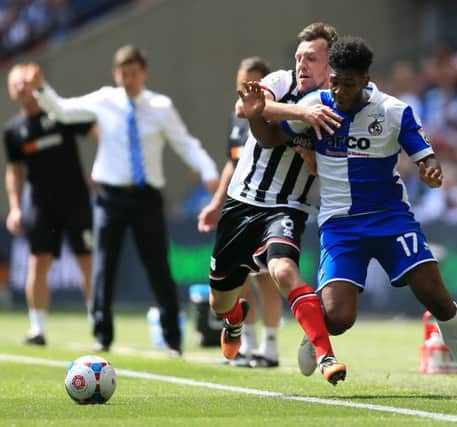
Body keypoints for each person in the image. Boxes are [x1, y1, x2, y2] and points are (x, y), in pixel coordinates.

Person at [239, 36, 457, 400]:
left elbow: (427, 156)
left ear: (365, 80)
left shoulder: (394, 111)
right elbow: (269, 138)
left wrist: (431, 170)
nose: (339, 91)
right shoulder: (316, 107)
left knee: (436, 296)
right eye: (335, 82)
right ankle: (315, 328)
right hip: (340, 227)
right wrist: (255, 115)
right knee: (340, 318)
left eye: (348, 84)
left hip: (391, 219)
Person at [27, 45, 219, 356]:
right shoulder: (105, 100)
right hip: (110, 197)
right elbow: (62, 110)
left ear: (144, 73)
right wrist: (40, 89)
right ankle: (102, 335)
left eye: (133, 73)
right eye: (122, 74)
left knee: (158, 267)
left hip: (147, 198)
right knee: (104, 267)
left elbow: (185, 143)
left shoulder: (160, 106)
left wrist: (208, 169)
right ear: (116, 74)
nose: (128, 79)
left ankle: (172, 339)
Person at [208, 22, 347, 385]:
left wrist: (319, 155)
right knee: (219, 303)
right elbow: (249, 108)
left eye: (311, 58)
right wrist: (301, 115)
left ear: (330, 66)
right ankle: (236, 317)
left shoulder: (337, 102)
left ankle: (325, 355)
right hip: (242, 201)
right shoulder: (281, 81)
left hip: (289, 205)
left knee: (283, 270)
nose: (301, 65)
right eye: (299, 57)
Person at [198, 56, 282, 368]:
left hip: (267, 207)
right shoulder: (236, 121)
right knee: (238, 281)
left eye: (251, 83)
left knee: (267, 279)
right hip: (238, 206)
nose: (243, 90)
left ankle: (270, 348)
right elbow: (232, 165)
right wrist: (216, 204)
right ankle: (246, 345)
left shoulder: (273, 118)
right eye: (240, 83)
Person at [3, 63, 94, 345]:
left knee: (87, 261)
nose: (21, 87)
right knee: (37, 263)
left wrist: (105, 169)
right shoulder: (13, 131)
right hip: (41, 205)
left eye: (24, 81)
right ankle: (37, 328)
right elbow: (15, 171)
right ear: (10, 91)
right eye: (15, 83)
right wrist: (16, 207)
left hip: (76, 199)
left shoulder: (59, 114)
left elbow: (97, 132)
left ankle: (97, 323)